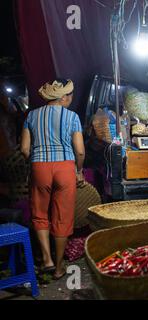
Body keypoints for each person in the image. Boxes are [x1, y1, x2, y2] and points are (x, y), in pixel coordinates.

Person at [20, 78, 85, 280]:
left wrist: (37, 161)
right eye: (70, 96)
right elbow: (80, 151)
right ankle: (58, 268)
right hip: (65, 166)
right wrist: (78, 170)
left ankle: (46, 259)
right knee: (62, 217)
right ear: (63, 97)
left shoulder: (31, 115)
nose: (71, 100)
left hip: (39, 166)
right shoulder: (72, 117)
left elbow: (24, 149)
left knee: (39, 214)